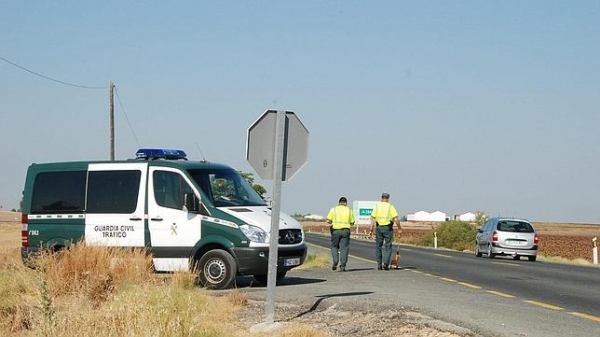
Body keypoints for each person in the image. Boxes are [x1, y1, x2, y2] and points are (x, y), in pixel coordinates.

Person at [369, 193, 402, 270]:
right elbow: (396, 219)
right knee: (388, 246)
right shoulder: (390, 207)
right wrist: (399, 228)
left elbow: (372, 220)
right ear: (388, 199)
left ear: (381, 198)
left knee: (378, 247)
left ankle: (379, 265)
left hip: (379, 228)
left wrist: (370, 230)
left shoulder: (377, 206)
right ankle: (386, 264)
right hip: (388, 229)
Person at [326, 196, 355, 272]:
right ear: (346, 203)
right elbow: (352, 223)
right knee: (344, 248)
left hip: (336, 231)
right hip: (346, 231)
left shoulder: (334, 209)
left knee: (334, 246)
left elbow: (328, 220)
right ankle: (343, 266)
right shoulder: (349, 210)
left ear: (339, 202)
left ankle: (335, 261)